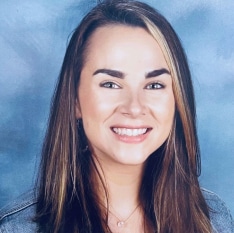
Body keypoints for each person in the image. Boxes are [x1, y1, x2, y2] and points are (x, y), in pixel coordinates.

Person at [0, 0, 233, 232]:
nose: (134, 107)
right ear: (74, 100)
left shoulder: (213, 220)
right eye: (110, 84)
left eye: (154, 85)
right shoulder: (18, 228)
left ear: (177, 100)